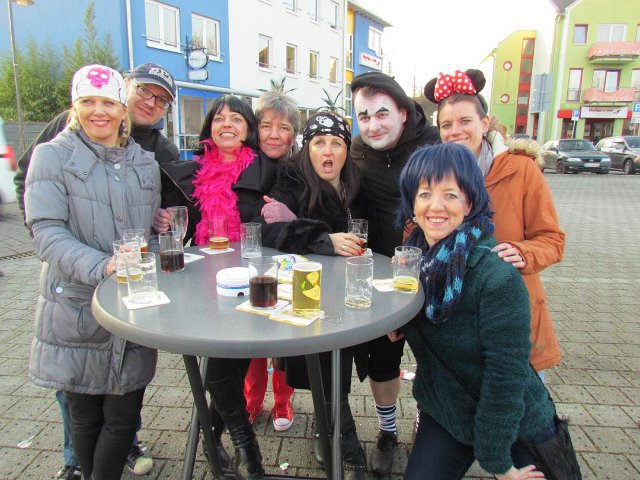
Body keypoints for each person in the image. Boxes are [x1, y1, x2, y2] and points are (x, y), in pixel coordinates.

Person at [14, 62, 177, 479]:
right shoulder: (52, 156)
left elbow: (145, 233)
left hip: (132, 307)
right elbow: (46, 232)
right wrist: (103, 265)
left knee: (123, 418)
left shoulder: (145, 162)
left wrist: (162, 232)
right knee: (84, 418)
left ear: (123, 109)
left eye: (108, 102)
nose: (99, 111)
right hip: (76, 308)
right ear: (75, 106)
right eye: (88, 101)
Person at [396, 142, 558, 480]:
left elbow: (506, 377)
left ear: (469, 203)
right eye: (424, 194)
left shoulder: (496, 277)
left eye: (450, 195)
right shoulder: (415, 262)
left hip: (513, 421)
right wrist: (397, 321)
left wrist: (498, 462)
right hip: (448, 411)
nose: (435, 206)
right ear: (412, 203)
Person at [155, 95, 276, 480]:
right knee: (219, 368)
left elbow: (282, 219)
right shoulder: (188, 174)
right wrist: (163, 222)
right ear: (209, 127)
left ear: (248, 129)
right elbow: (174, 224)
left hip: (251, 282)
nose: (227, 124)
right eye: (220, 118)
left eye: (236, 119)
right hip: (203, 283)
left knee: (224, 369)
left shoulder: (265, 171)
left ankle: (225, 443)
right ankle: (243, 448)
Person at [423, 69, 565, 379]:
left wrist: (523, 252)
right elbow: (416, 232)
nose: (455, 131)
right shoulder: (433, 173)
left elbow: (551, 239)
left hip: (512, 313)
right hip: (455, 317)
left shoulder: (521, 170)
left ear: (485, 123)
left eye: (465, 121)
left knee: (516, 399)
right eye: (446, 125)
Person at [261, 111, 371, 480]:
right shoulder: (291, 181)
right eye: (319, 142)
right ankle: (343, 439)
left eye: (336, 143)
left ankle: (328, 428)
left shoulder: (358, 184)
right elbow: (268, 231)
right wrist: (322, 238)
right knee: (326, 363)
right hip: (310, 292)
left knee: (341, 364)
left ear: (346, 149)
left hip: (353, 290)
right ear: (307, 148)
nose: (328, 151)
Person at [348, 71, 440, 475]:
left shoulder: (434, 145)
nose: (373, 125)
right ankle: (388, 431)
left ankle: (430, 426)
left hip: (435, 275)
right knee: (383, 360)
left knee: (436, 359)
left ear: (403, 112)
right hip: (382, 278)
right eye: (364, 116)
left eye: (382, 113)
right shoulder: (356, 151)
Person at [242, 90, 299, 431]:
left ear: (294, 134)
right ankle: (251, 400)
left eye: (284, 127)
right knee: (251, 335)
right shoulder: (243, 164)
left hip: (287, 262)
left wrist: (293, 217)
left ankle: (282, 400)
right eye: (266, 126)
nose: (274, 134)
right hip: (250, 262)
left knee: (284, 336)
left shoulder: (300, 169)